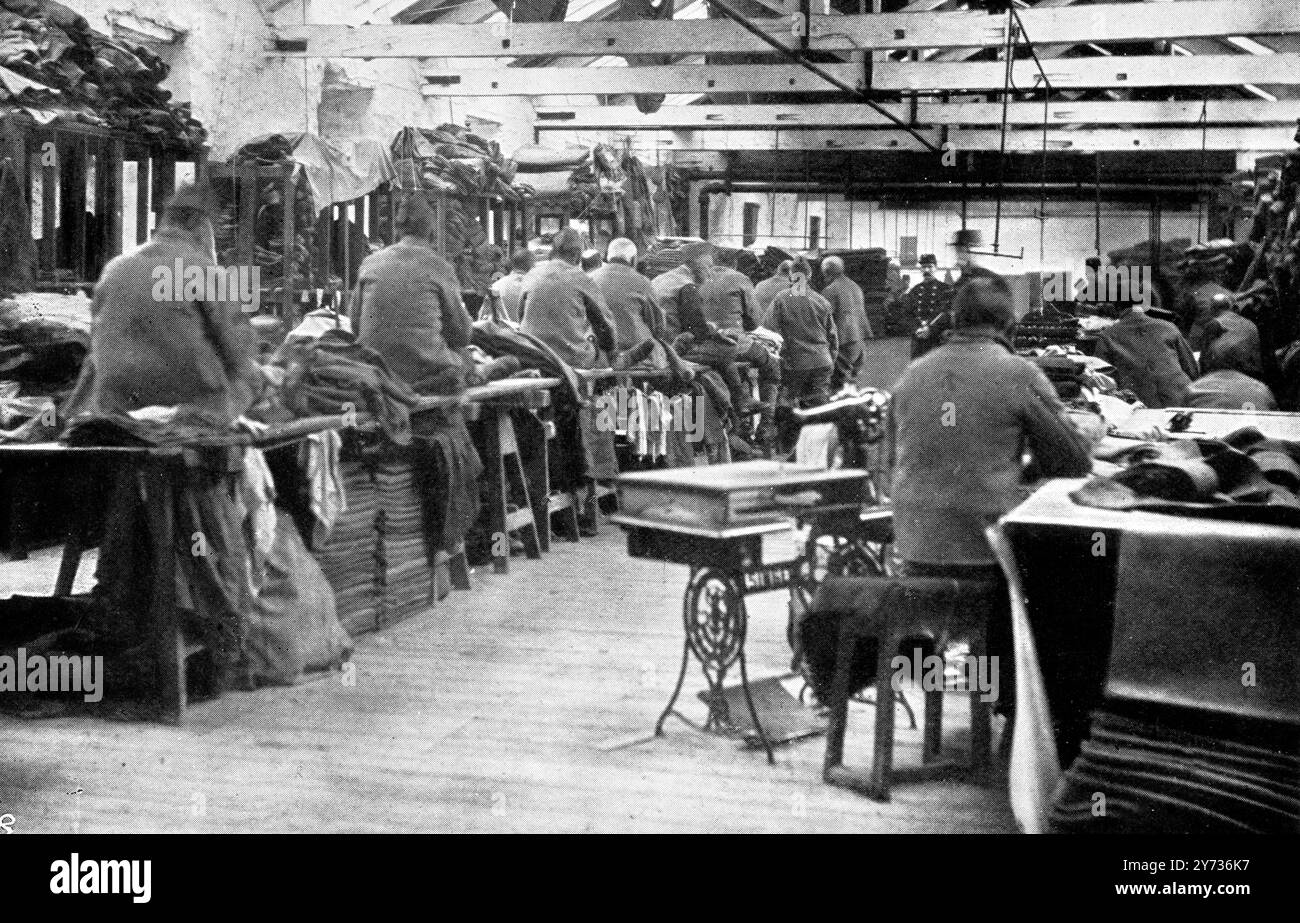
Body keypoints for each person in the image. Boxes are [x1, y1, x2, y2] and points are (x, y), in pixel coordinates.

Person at [889, 279, 1096, 718]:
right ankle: (1020, 707)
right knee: (1076, 577)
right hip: (981, 556)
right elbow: (1073, 463)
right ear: (1009, 324)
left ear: (954, 320)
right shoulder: (1018, 373)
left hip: (914, 549)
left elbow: (899, 458)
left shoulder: (912, 374)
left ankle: (967, 679)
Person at [62, 183, 257, 424]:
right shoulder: (202, 270)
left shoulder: (114, 269)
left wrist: (66, 415)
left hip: (115, 408)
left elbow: (95, 354)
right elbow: (238, 350)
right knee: (250, 383)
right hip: (188, 410)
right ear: (200, 226)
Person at [352, 192, 471, 394]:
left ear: (397, 229)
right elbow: (461, 334)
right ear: (432, 231)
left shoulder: (370, 263)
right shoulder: (439, 266)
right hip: (424, 372)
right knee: (466, 357)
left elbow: (356, 324)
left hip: (374, 368)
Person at [701, 250, 782, 442]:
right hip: (736, 344)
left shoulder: (700, 278)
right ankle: (765, 426)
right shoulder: (739, 278)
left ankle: (741, 425)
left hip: (705, 345)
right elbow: (754, 321)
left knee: (739, 371)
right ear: (734, 264)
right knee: (772, 366)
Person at [520, 227, 617, 369]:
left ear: (553, 251)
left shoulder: (532, 275)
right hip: (571, 358)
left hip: (532, 354)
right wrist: (610, 349)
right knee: (606, 359)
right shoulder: (580, 278)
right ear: (577, 256)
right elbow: (605, 325)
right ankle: (619, 391)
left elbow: (521, 315)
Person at [1093, 300, 1198, 409]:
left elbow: (1102, 383)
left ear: (1116, 307)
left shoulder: (1107, 336)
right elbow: (1192, 370)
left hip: (1142, 407)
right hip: (1182, 401)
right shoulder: (1168, 327)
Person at [765, 256, 838, 407]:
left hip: (795, 363)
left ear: (791, 276)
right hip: (822, 361)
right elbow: (833, 338)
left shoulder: (781, 299)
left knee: (787, 408)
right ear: (809, 276)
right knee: (818, 411)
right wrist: (829, 360)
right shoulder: (821, 301)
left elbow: (768, 329)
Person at [589, 237, 663, 358]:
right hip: (637, 351)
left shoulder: (590, 279)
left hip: (597, 351)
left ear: (608, 257)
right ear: (634, 260)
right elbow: (657, 326)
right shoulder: (642, 282)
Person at [820, 255, 872, 391]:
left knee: (839, 385)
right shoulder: (855, 287)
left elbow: (823, 319)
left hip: (843, 343)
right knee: (852, 383)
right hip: (859, 341)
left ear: (826, 272)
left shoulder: (830, 290)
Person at [483, 248, 533, 324]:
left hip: (501, 333)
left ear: (513, 264)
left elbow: (484, 316)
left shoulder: (496, 286)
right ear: (531, 266)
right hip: (525, 334)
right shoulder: (535, 288)